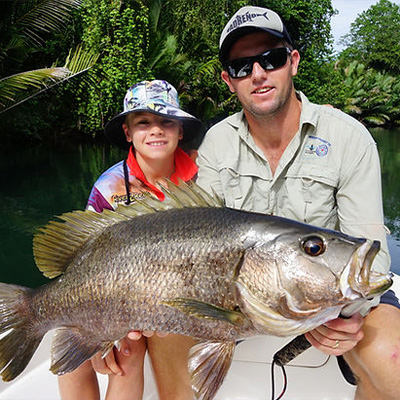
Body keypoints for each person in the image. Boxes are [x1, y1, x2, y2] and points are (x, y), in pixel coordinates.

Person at [196, 6, 400, 400]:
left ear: (293, 62)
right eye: (241, 66)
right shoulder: (216, 144)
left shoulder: (348, 137)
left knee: (391, 358)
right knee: (163, 329)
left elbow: (370, 257)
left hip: (336, 297)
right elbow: (202, 244)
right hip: (240, 298)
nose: (257, 74)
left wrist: (339, 316)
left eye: (270, 59)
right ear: (228, 80)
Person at [58, 80, 201, 400]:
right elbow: (85, 255)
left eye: (166, 121)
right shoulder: (109, 187)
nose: (156, 130)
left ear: (180, 131)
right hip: (118, 292)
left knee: (131, 350)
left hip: (184, 295)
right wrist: (98, 327)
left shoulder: (203, 178)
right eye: (143, 122)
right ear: (128, 132)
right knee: (85, 351)